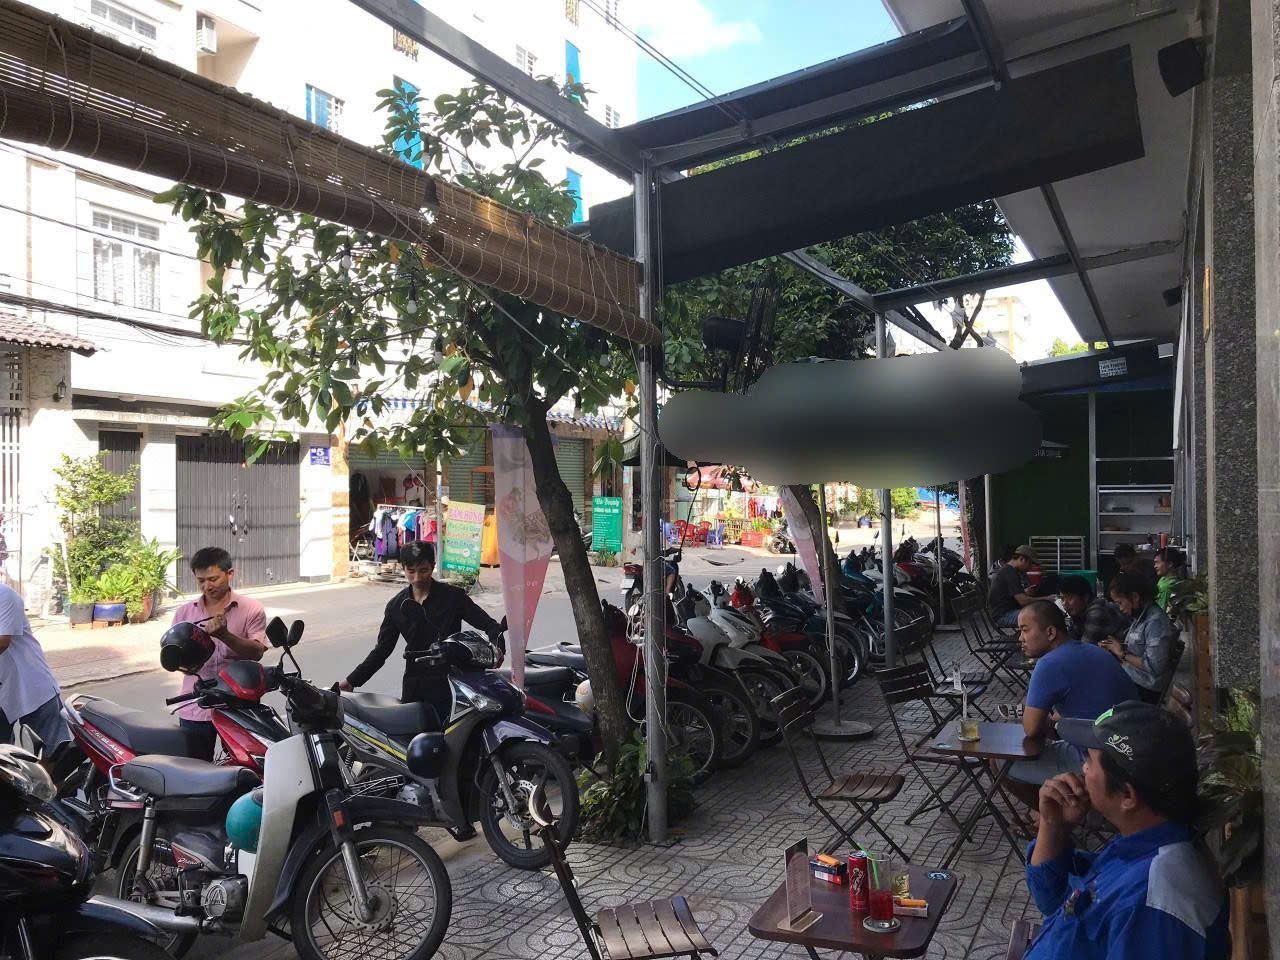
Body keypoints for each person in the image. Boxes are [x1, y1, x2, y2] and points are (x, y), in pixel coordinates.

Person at [1025, 702, 1228, 959]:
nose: (1083, 768)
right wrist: (1053, 826)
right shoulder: (1140, 844)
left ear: (1127, 795)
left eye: (1089, 759)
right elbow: (1052, 902)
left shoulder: (1155, 906)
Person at [341, 540, 503, 724]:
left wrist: (497, 648)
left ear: (433, 566)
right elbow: (381, 651)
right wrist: (352, 681)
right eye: (411, 571)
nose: (417, 578)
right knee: (415, 737)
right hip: (415, 685)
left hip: (453, 682)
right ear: (403, 568)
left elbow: (490, 625)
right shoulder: (396, 606)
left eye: (423, 570)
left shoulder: (453, 597)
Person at [1006, 601, 1138, 798]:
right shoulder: (1092, 650)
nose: (1020, 638)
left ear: (1050, 632)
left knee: (1001, 762)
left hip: (1100, 760)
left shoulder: (1049, 664)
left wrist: (1044, 721)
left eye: (1025, 630)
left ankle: (1053, 814)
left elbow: (1031, 728)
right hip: (1129, 748)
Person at [170, 547, 267, 761]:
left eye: (213, 579)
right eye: (201, 581)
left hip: (239, 707)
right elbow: (176, 659)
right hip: (196, 708)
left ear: (229, 574)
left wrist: (225, 635)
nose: (207, 586)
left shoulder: (251, 609)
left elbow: (257, 652)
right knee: (195, 769)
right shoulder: (184, 613)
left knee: (246, 767)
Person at [0, 581, 70, 760]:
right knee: (5, 757)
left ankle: (54, 779)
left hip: (31, 685)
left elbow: (2, 641)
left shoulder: (4, 594)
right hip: (4, 690)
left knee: (54, 753)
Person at [1102, 571, 1176, 703]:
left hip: (1146, 689)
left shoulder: (1155, 622)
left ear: (1135, 597)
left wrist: (1122, 653)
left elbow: (1154, 667)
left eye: (1120, 603)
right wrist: (1114, 646)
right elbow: (1140, 648)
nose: (1120, 608)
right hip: (1132, 679)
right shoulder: (1142, 616)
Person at [1058, 575, 1121, 645]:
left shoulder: (1097, 613)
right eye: (1062, 599)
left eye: (1070, 598)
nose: (1065, 604)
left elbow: (1085, 647)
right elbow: (1070, 640)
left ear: (1085, 597)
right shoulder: (1078, 612)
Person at [988, 543, 1039, 628]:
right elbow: (1023, 601)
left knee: (1040, 612)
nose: (1030, 567)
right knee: (1039, 616)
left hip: (1008, 611)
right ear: (1022, 559)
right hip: (1003, 616)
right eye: (1030, 563)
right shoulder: (1009, 573)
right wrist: (1047, 599)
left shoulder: (1010, 570)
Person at [1153, 546, 1187, 612]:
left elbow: (1162, 609)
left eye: (1157, 562)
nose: (1155, 566)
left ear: (1169, 564)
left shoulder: (1167, 586)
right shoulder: (1163, 579)